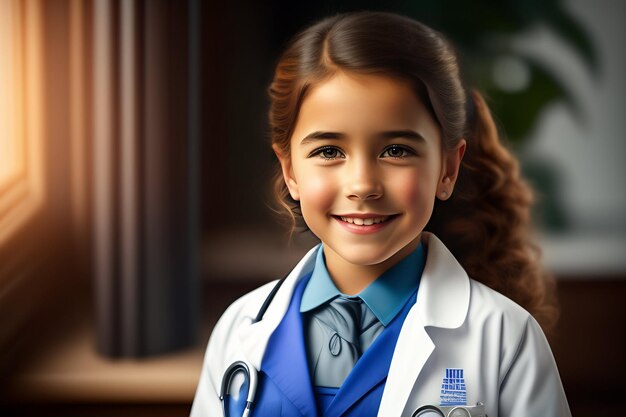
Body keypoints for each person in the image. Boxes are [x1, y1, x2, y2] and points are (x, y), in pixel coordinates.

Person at [190, 11, 571, 417]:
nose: (362, 184)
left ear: (447, 170)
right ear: (290, 171)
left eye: (396, 151)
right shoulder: (240, 328)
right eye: (329, 151)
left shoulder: (504, 339)